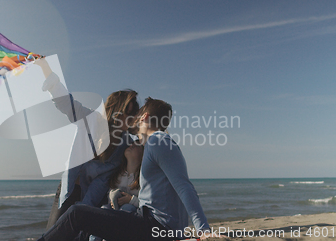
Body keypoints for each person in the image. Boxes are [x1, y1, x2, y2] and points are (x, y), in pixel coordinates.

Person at [37, 98, 221, 241]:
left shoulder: (158, 141)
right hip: (150, 222)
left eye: (137, 115)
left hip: (156, 227)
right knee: (88, 227)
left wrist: (204, 230)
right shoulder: (153, 144)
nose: (133, 120)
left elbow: (184, 187)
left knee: (77, 214)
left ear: (145, 117)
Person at [34, 59, 140, 231]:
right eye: (128, 114)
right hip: (68, 189)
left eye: (134, 116)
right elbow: (66, 104)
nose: (131, 120)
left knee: (75, 232)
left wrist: (83, 208)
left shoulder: (125, 145)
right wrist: (46, 70)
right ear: (116, 112)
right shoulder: (91, 120)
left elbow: (103, 181)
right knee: (53, 232)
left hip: (92, 197)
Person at [89, 139, 144, 241]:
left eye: (138, 145)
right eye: (132, 143)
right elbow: (110, 192)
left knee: (127, 208)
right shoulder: (119, 175)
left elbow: (146, 203)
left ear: (143, 155)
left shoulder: (142, 178)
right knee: (103, 209)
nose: (132, 145)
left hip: (131, 218)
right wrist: (112, 195)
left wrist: (131, 200)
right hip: (114, 210)